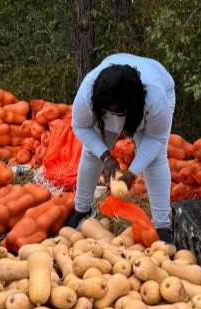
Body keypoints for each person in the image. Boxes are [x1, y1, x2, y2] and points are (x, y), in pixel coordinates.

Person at [68, 53, 176, 242]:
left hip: (151, 95)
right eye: (108, 111)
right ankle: (81, 209)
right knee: (91, 153)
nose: (116, 123)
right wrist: (105, 156)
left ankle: (162, 226)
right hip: (115, 105)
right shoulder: (87, 94)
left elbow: (155, 139)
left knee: (156, 159)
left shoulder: (155, 99)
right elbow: (81, 126)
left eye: (118, 113)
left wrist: (132, 173)